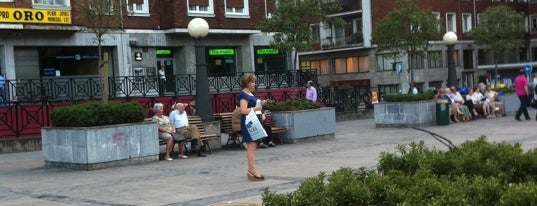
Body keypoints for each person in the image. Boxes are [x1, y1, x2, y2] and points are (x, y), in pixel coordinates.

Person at [238, 73, 265, 181]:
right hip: (249, 122)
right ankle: (252, 170)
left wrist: (260, 105)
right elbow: (243, 110)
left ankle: (251, 170)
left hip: (254, 121)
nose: (254, 84)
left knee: (254, 146)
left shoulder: (249, 94)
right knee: (251, 146)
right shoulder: (243, 95)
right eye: (252, 82)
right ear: (248, 83)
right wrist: (257, 107)